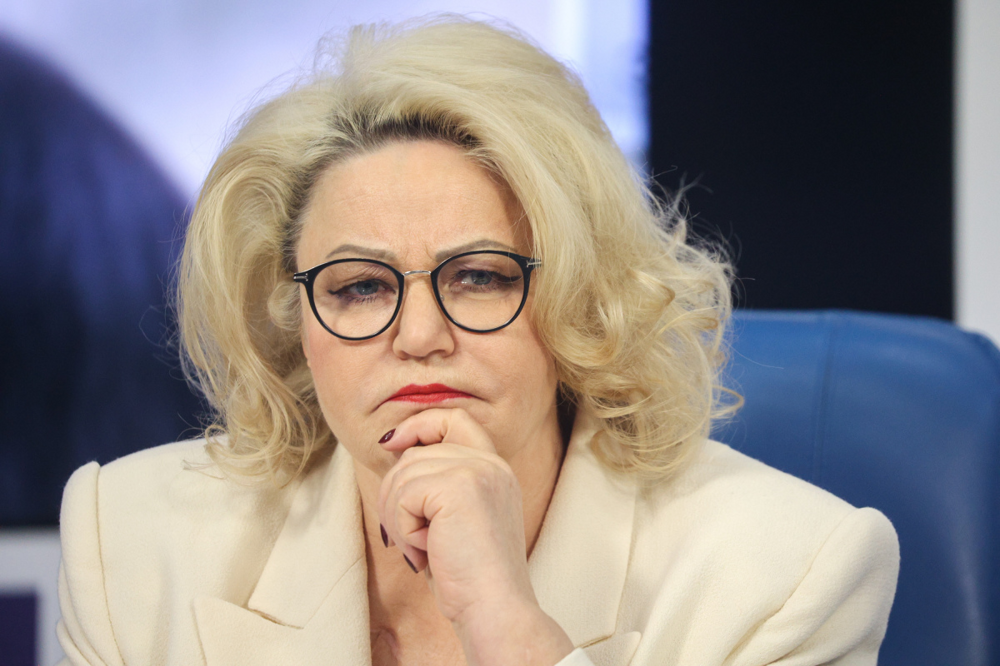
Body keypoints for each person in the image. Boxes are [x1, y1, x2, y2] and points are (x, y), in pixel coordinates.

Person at [55, 16, 899, 666]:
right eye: (359, 287)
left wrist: (507, 624)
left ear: (581, 300)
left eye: (480, 277)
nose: (420, 335)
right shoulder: (130, 542)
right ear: (295, 321)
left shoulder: (786, 575)